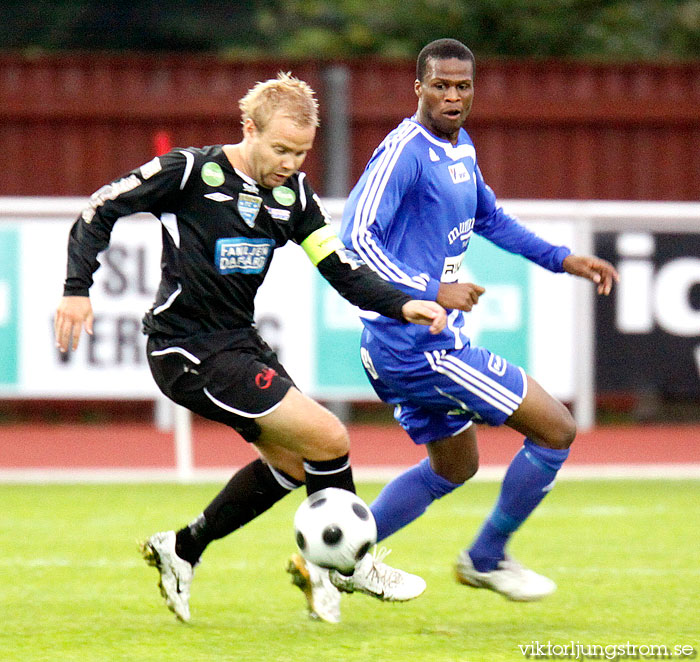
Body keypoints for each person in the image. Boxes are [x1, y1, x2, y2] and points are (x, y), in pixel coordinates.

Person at [54, 72, 446, 624]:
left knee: (293, 461)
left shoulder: (294, 196)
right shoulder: (191, 171)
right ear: (249, 129)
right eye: (280, 149)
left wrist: (404, 303)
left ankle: (184, 547)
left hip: (239, 343)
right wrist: (76, 291)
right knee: (330, 436)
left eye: (301, 152)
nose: (290, 162)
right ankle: (349, 565)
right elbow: (100, 208)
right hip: (185, 349)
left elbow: (342, 270)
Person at [289, 39, 619, 617]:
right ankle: (486, 558)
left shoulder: (460, 146)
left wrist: (563, 259)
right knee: (556, 429)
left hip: (419, 343)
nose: (452, 96)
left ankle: (326, 561)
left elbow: (490, 218)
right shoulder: (403, 152)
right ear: (417, 87)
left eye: (462, 86)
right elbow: (357, 241)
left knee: (455, 466)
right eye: (440, 85)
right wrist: (431, 289)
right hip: (415, 345)